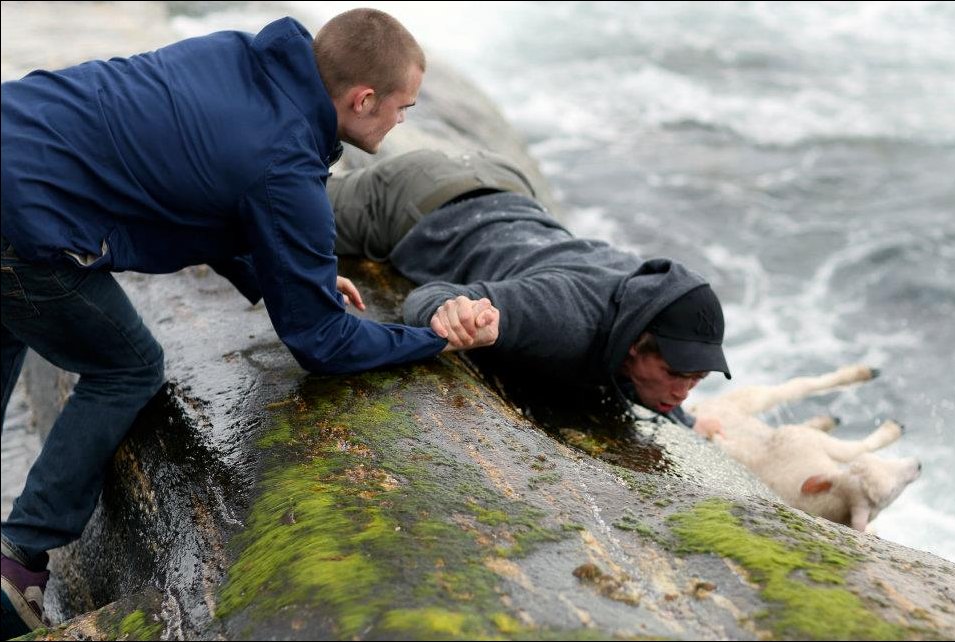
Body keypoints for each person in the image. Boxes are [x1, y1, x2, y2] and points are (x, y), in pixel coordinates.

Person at [0, 11, 496, 638]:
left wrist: (283, 272)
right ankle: (19, 561)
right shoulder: (286, 166)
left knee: (12, 320)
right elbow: (322, 341)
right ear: (362, 99)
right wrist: (436, 338)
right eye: (404, 107)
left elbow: (195, 182)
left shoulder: (238, 53)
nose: (403, 121)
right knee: (127, 367)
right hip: (20, 219)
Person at [327, 149, 732, 430]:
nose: (680, 392)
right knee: (273, 210)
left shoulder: (641, 301)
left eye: (695, 379)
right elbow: (428, 295)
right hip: (416, 200)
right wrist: (452, 313)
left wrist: (688, 422)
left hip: (509, 185)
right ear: (635, 344)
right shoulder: (560, 314)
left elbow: (647, 373)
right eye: (675, 373)